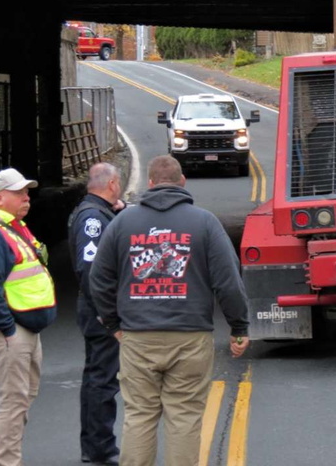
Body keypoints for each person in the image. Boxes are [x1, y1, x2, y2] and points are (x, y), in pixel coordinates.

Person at [89, 155, 250, 466]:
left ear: (149, 183)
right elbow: (228, 282)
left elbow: (99, 278)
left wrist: (113, 324)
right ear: (183, 182)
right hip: (190, 337)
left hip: (137, 336)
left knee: (139, 416)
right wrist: (239, 327)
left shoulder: (123, 222)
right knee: (185, 416)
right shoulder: (204, 222)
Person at [0, 168, 57, 466]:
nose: (26, 197)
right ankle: (6, 463)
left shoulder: (13, 227)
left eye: (26, 192)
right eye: (19, 193)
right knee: (14, 401)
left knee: (24, 395)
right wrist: (7, 329)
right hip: (11, 332)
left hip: (25, 328)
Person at [68, 163, 126, 466]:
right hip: (98, 313)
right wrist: (108, 315)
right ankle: (99, 449)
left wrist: (121, 208)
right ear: (113, 184)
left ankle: (95, 447)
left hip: (95, 311)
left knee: (97, 379)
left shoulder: (97, 211)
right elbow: (90, 269)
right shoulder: (93, 218)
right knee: (102, 382)